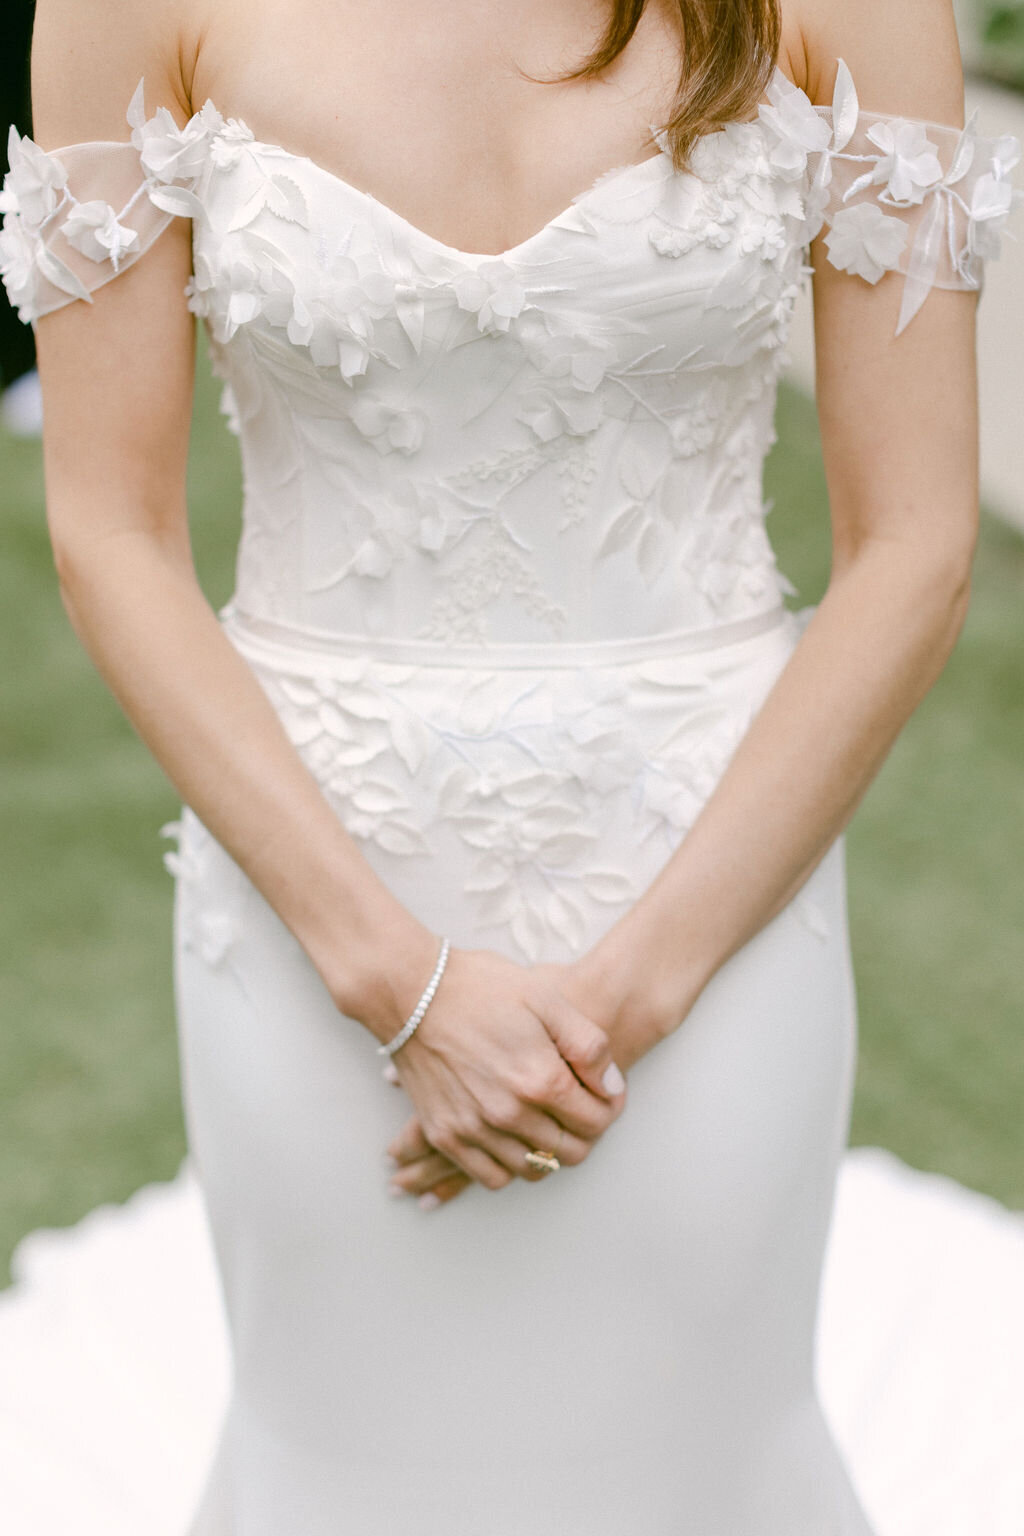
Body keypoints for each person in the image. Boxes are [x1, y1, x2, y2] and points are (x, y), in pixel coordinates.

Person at [1, 0, 1020, 1530]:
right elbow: (110, 528)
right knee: (340, 1443)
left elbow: (919, 542)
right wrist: (389, 979)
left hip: (714, 898)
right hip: (312, 904)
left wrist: (642, 990)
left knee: (699, 1445)